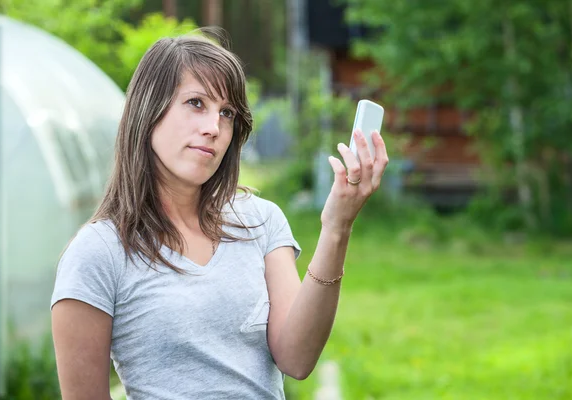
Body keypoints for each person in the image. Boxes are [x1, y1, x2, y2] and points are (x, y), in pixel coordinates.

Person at [50, 29, 388, 400]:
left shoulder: (260, 220)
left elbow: (297, 359)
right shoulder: (98, 253)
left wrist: (336, 227)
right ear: (148, 111)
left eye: (226, 113)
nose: (213, 128)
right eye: (196, 103)